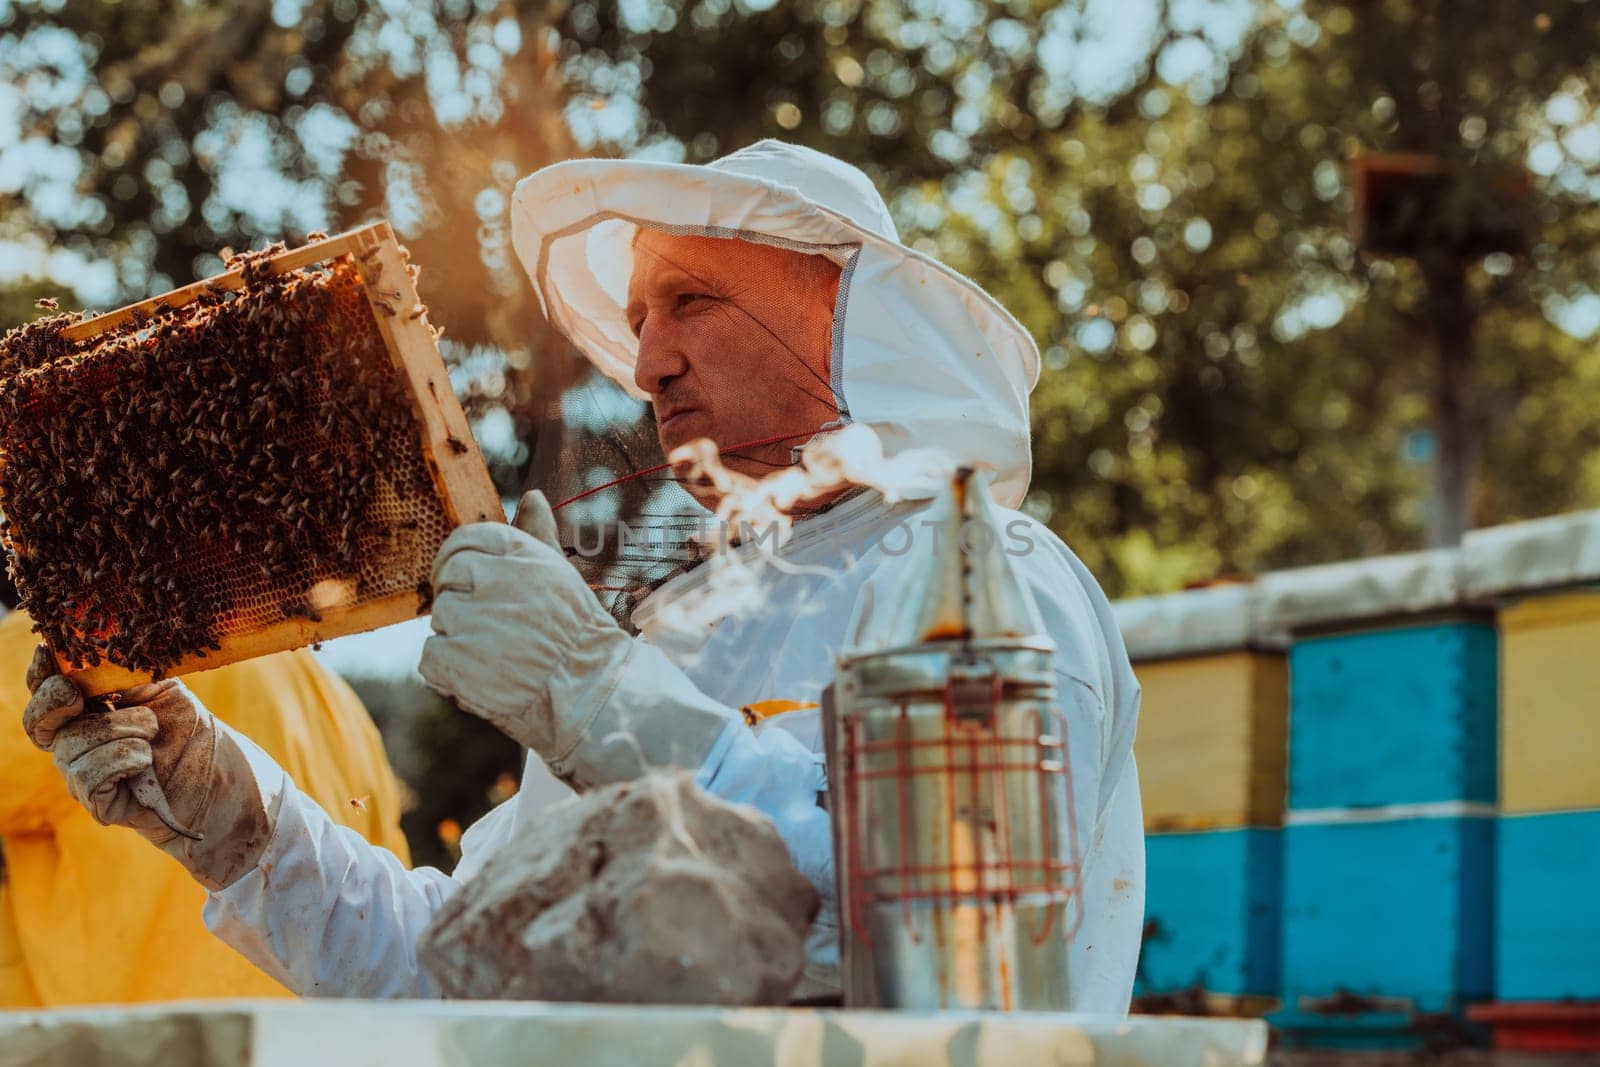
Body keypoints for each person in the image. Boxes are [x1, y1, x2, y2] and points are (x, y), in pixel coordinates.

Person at [20, 141, 1144, 1010]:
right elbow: (459, 966)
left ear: (849, 314)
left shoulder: (981, 577)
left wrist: (597, 694)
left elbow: (944, 930)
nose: (650, 358)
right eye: (642, 317)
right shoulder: (675, 628)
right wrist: (243, 826)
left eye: (692, 299)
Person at [0, 575, 411, 1006]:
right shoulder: (342, 706)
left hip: (163, 1039)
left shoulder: (72, 643)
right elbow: (388, 913)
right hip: (324, 1038)